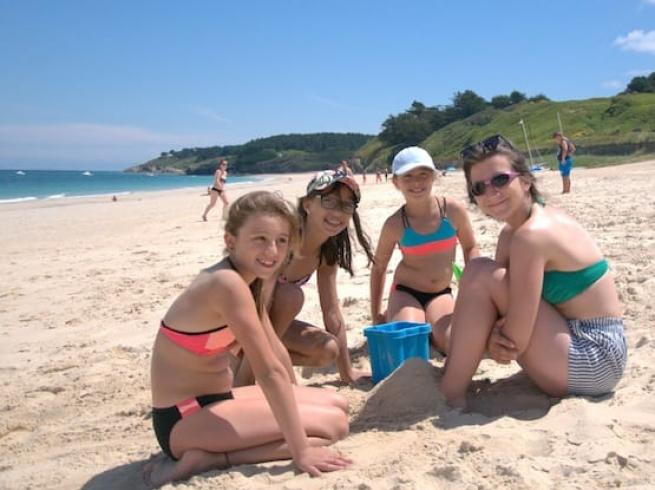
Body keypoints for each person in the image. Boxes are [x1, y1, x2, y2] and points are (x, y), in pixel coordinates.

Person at [146, 191, 352, 487]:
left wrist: (295, 399)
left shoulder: (247, 280)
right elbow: (267, 372)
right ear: (231, 241)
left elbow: (275, 350)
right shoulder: (226, 284)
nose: (272, 251)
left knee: (336, 403)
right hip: (183, 418)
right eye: (260, 239)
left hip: (217, 399)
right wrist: (301, 450)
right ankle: (210, 459)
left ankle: (229, 447)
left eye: (282, 240)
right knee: (333, 426)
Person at [440, 134, 627, 409]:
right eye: (478, 187)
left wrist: (489, 338)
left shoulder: (532, 235)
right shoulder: (512, 233)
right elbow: (492, 306)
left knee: (479, 272)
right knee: (478, 272)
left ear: (525, 180)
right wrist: (488, 333)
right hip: (571, 343)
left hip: (594, 358)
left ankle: (449, 393)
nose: (491, 192)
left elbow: (515, 337)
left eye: (501, 179)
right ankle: (452, 379)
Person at [239, 170, 374, 386]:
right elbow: (259, 309)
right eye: (329, 201)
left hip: (267, 326)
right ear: (308, 204)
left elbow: (331, 311)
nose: (338, 212)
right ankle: (242, 382)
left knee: (327, 349)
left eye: (346, 205)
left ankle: (248, 363)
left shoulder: (326, 252)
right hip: (235, 319)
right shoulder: (283, 241)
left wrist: (347, 372)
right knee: (289, 296)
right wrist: (291, 384)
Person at [370, 146, 479, 354]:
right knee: (409, 349)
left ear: (434, 176)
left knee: (451, 344)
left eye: (423, 175)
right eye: (408, 176)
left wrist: (472, 285)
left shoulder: (452, 211)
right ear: (396, 182)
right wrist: (376, 316)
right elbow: (378, 268)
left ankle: (429, 325)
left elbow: (470, 246)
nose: (417, 182)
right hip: (406, 293)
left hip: (441, 292)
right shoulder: (394, 224)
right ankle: (407, 316)